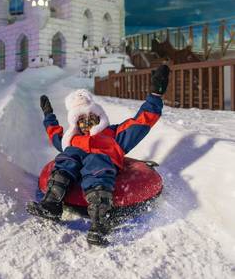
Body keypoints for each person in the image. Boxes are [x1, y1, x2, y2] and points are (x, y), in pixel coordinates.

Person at [26, 64, 170, 246]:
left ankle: (100, 222)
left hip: (101, 168)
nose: (87, 123)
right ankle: (52, 204)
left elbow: (141, 122)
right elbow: (55, 134)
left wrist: (155, 96)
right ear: (75, 122)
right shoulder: (71, 140)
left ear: (99, 115)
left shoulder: (114, 135)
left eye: (91, 117)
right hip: (74, 161)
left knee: (97, 163)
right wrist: (48, 116)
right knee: (67, 158)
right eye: (81, 119)